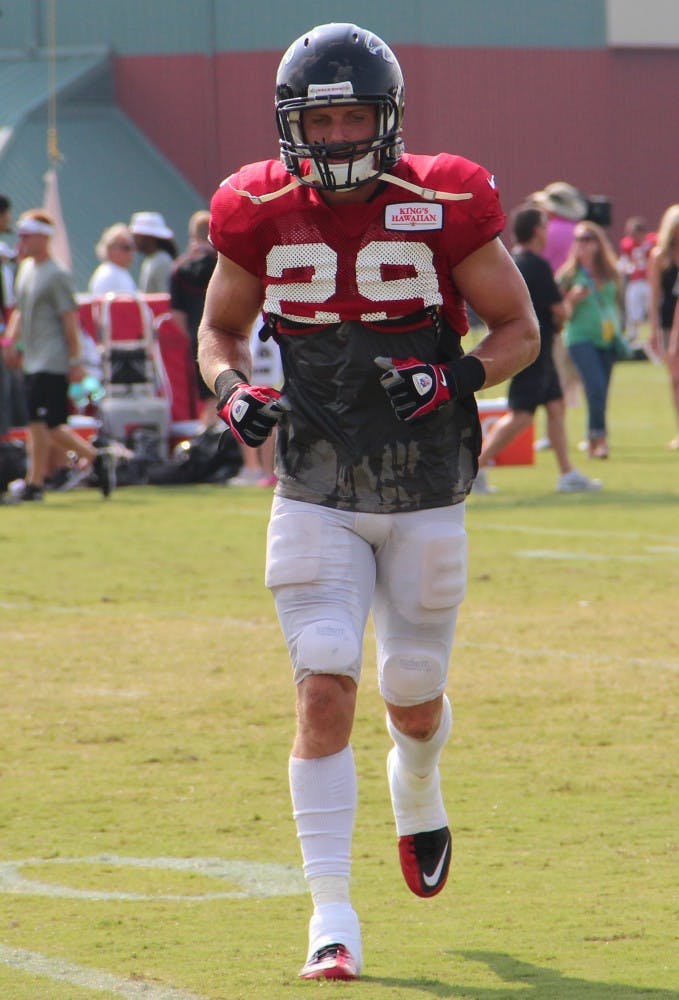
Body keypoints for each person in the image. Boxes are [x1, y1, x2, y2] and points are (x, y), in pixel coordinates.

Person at [197, 22, 539, 981]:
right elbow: (216, 336)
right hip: (313, 480)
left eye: (355, 117)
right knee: (323, 684)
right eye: (323, 119)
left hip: (427, 482)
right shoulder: (254, 209)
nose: (339, 137)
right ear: (290, 126)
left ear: (385, 122)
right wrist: (233, 394)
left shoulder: (444, 199)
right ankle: (332, 916)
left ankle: (419, 786)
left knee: (412, 697)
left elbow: (519, 330)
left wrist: (455, 376)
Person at [474, 206, 600, 494]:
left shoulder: (510, 261)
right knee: (522, 414)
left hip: (521, 343)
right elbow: (560, 312)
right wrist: (574, 300)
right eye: (544, 226)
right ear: (535, 231)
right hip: (535, 347)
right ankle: (475, 467)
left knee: (556, 406)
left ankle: (567, 473)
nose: (548, 232)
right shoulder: (537, 265)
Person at [1, 210, 115, 500]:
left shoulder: (57, 274)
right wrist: (11, 343)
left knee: (49, 426)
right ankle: (35, 482)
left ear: (44, 237)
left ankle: (95, 456)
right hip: (33, 358)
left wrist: (75, 361)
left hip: (51, 359)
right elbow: (21, 311)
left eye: (28, 235)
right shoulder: (26, 270)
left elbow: (69, 321)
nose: (22, 240)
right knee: (36, 426)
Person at [557, 220, 623, 459]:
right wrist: (572, 300)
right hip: (579, 337)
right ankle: (600, 439)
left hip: (606, 338)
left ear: (598, 242)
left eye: (587, 238)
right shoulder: (569, 275)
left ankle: (592, 436)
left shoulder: (611, 272)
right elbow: (559, 312)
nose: (582, 244)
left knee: (601, 391)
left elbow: (617, 303)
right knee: (594, 385)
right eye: (578, 239)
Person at [169, 209, 217, 425]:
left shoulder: (179, 269)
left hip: (197, 335)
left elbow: (176, 314)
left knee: (207, 395)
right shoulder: (222, 263)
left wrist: (191, 333)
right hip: (225, 331)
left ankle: (208, 438)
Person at [648, 205, 679, 449]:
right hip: (670, 323)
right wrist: (654, 329)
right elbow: (655, 294)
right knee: (675, 379)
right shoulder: (660, 256)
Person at [618, 216, 655, 349]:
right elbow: (623, 263)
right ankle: (633, 335)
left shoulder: (653, 241)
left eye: (635, 234)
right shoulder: (627, 244)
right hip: (636, 281)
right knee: (632, 309)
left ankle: (655, 335)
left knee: (653, 310)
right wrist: (629, 268)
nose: (633, 237)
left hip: (651, 282)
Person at [129, 211, 177, 293]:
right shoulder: (150, 260)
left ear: (149, 237)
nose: (134, 240)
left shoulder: (162, 261)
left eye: (137, 236)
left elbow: (166, 296)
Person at [88, 223, 138, 296]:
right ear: (111, 249)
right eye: (126, 247)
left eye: (133, 247)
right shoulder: (108, 274)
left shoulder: (118, 271)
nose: (132, 252)